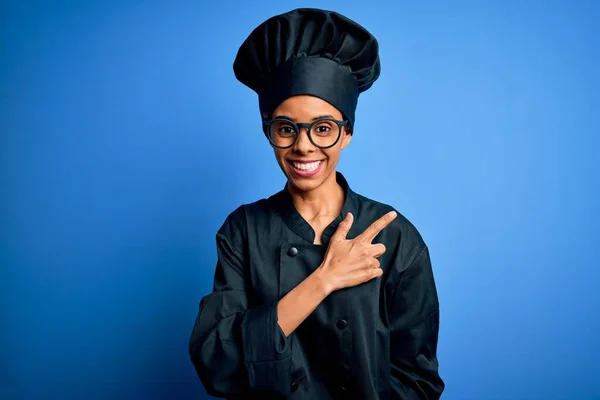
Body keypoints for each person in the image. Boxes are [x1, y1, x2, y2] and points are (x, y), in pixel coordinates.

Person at [189, 8, 444, 400]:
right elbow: (217, 364)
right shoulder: (242, 231)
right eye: (286, 128)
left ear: (347, 135)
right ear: (269, 132)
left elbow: (417, 381)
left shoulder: (395, 238)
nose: (304, 145)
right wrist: (324, 279)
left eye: (322, 128)